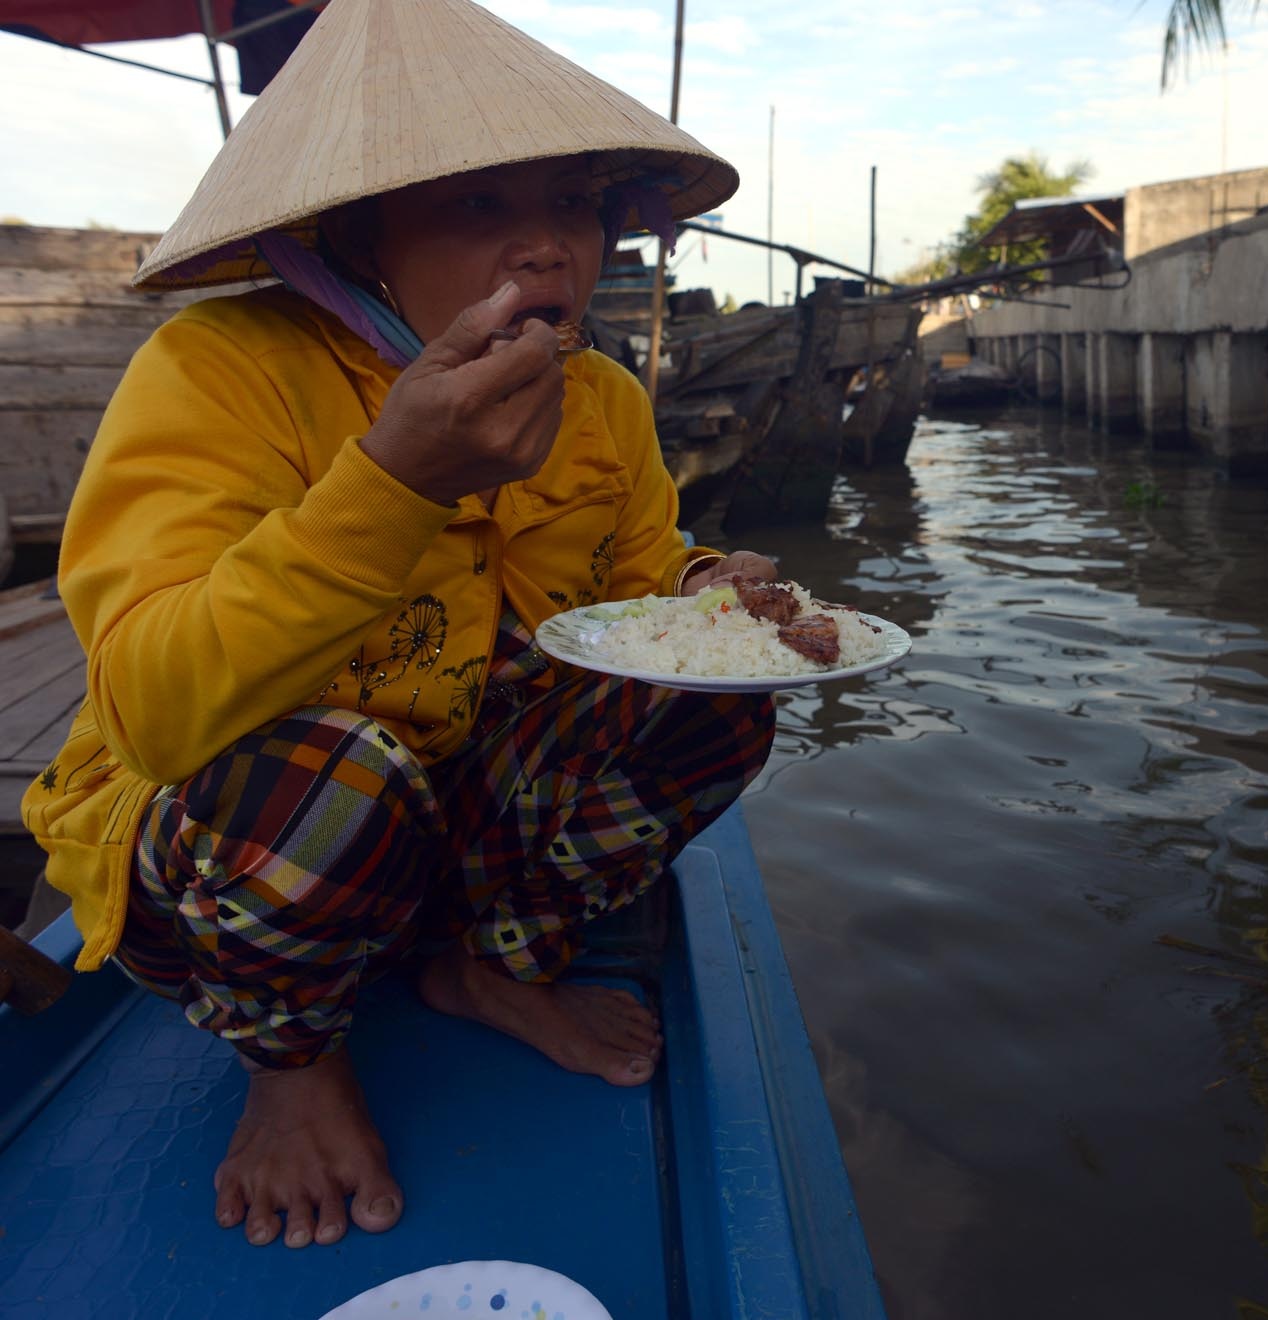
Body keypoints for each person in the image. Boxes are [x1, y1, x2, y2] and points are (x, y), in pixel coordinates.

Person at [21, 0, 773, 1252]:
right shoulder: (220, 368)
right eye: (479, 205)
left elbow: (636, 597)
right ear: (358, 235)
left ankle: (491, 962)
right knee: (333, 776)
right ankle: (291, 1061)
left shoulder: (605, 401)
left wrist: (711, 600)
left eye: (574, 202)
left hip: (459, 833)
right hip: (239, 851)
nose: (546, 246)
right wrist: (398, 481)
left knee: (714, 689)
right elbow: (152, 712)